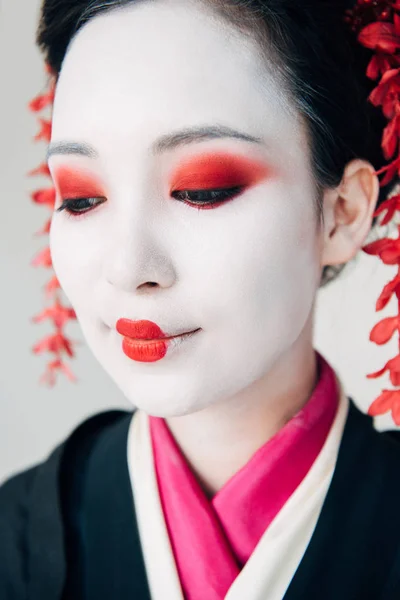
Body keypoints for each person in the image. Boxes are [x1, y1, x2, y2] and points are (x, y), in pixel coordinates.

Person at [2, 0, 400, 598]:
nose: (129, 267)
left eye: (201, 189)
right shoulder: (18, 537)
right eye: (82, 197)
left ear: (342, 212)